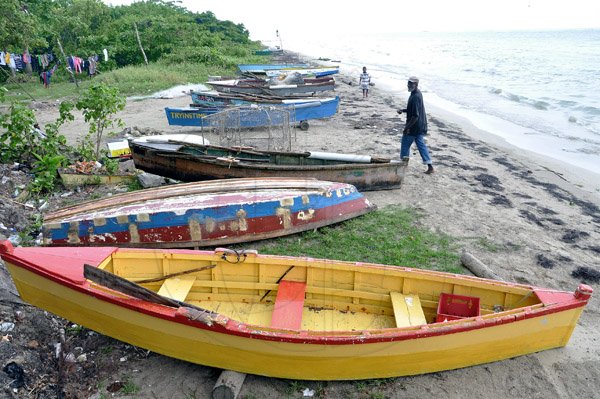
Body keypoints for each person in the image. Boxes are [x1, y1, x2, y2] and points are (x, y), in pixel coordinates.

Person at [398, 76, 434, 174]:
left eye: (411, 84)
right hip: (420, 126)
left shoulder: (415, 96)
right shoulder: (417, 93)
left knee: (405, 144)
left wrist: (407, 128)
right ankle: (430, 166)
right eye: (408, 83)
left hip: (414, 126)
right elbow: (414, 110)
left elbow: (415, 115)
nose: (408, 85)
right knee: (421, 145)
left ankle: (403, 165)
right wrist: (403, 110)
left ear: (416, 84)